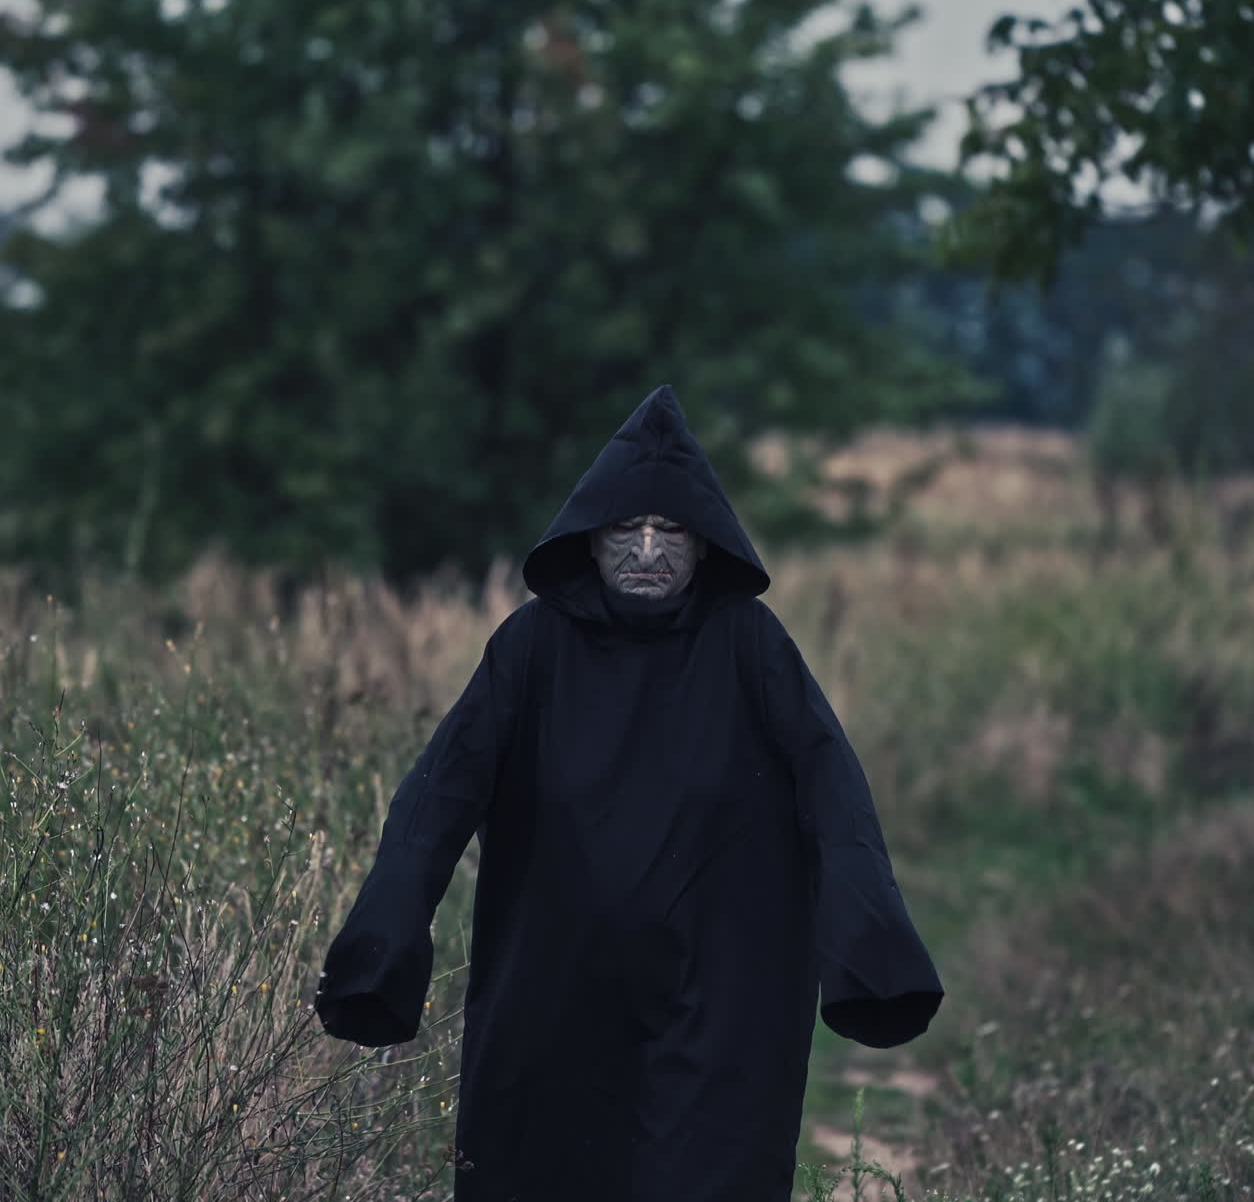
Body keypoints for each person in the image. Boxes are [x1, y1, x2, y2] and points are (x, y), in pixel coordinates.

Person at [317, 385, 943, 1202]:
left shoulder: (750, 646)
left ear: (704, 543)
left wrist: (872, 957)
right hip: (554, 990)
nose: (648, 549)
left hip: (723, 993)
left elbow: (833, 793)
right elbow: (437, 798)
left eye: (670, 529)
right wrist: (381, 948)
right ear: (591, 538)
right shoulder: (530, 649)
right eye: (626, 529)